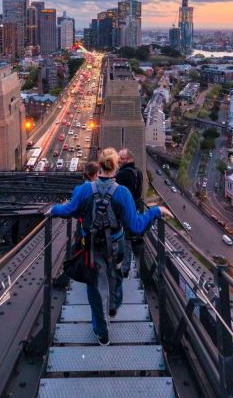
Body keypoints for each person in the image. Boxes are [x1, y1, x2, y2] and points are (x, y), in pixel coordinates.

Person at [50, 148, 171, 345]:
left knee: (93, 287)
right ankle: (114, 298)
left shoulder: (84, 190)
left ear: (99, 167)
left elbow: (68, 210)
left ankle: (101, 330)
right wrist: (156, 210)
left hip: (89, 249)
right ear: (116, 167)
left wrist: (52, 209)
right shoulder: (123, 193)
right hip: (115, 247)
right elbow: (136, 226)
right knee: (114, 273)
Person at [116, 148, 143, 278]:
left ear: (129, 159)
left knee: (122, 238)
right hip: (134, 209)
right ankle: (125, 267)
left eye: (122, 158)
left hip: (123, 212)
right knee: (128, 238)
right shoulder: (138, 173)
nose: (119, 161)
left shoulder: (122, 175)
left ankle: (122, 267)